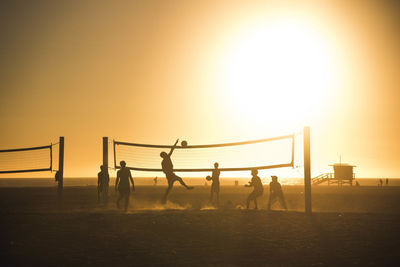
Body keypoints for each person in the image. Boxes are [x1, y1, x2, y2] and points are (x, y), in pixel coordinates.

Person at [160, 139, 194, 203]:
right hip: (170, 175)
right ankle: (187, 187)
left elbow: (172, 149)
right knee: (178, 180)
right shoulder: (164, 161)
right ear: (163, 156)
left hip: (170, 174)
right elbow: (163, 170)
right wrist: (168, 172)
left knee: (170, 187)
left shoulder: (168, 157)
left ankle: (164, 198)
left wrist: (175, 143)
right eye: (164, 153)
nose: (166, 153)